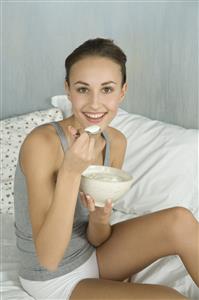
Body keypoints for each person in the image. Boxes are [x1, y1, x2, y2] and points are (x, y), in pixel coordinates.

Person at [14, 37, 199, 300]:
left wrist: (100, 220)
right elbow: (49, 258)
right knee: (171, 297)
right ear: (67, 89)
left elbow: (98, 237)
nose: (94, 104)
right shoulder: (41, 143)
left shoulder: (115, 142)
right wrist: (70, 172)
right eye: (82, 89)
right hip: (53, 277)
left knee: (180, 220)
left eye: (107, 89)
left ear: (122, 91)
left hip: (95, 255)